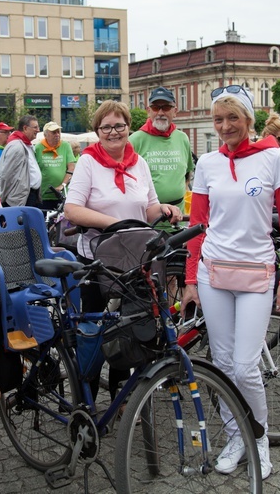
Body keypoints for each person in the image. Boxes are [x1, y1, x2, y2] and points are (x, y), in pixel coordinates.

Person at [179, 86, 280, 480]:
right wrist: (190, 278)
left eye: (233, 118)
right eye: (219, 119)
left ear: (248, 120)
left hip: (257, 273)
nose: (225, 125)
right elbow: (197, 226)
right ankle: (235, 436)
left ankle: (259, 440)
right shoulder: (208, 163)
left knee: (246, 367)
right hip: (213, 273)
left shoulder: (273, 158)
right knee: (224, 365)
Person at [64, 100, 182, 402]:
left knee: (130, 331)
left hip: (134, 261)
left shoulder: (138, 162)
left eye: (119, 126)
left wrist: (164, 209)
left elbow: (149, 205)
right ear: (97, 131)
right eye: (106, 127)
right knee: (92, 331)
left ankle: (122, 398)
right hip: (96, 261)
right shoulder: (88, 162)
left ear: (128, 128)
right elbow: (73, 210)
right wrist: (115, 224)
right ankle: (85, 399)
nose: (113, 132)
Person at [129, 86, 194, 213]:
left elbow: (187, 173)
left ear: (175, 111)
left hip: (178, 217)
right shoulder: (135, 140)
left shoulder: (182, 138)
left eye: (166, 107)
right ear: (148, 111)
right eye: (155, 107)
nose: (160, 113)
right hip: (147, 218)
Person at [0, 115, 42, 207]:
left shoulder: (25, 144)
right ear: (25, 128)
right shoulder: (17, 146)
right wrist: (5, 197)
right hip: (21, 199)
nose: (38, 130)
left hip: (29, 195)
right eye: (35, 127)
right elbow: (6, 175)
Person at [35, 121, 76, 210]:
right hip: (43, 195)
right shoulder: (38, 148)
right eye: (54, 132)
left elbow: (71, 167)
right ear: (45, 135)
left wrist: (63, 185)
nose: (57, 134)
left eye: (58, 132)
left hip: (62, 194)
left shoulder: (65, 145)